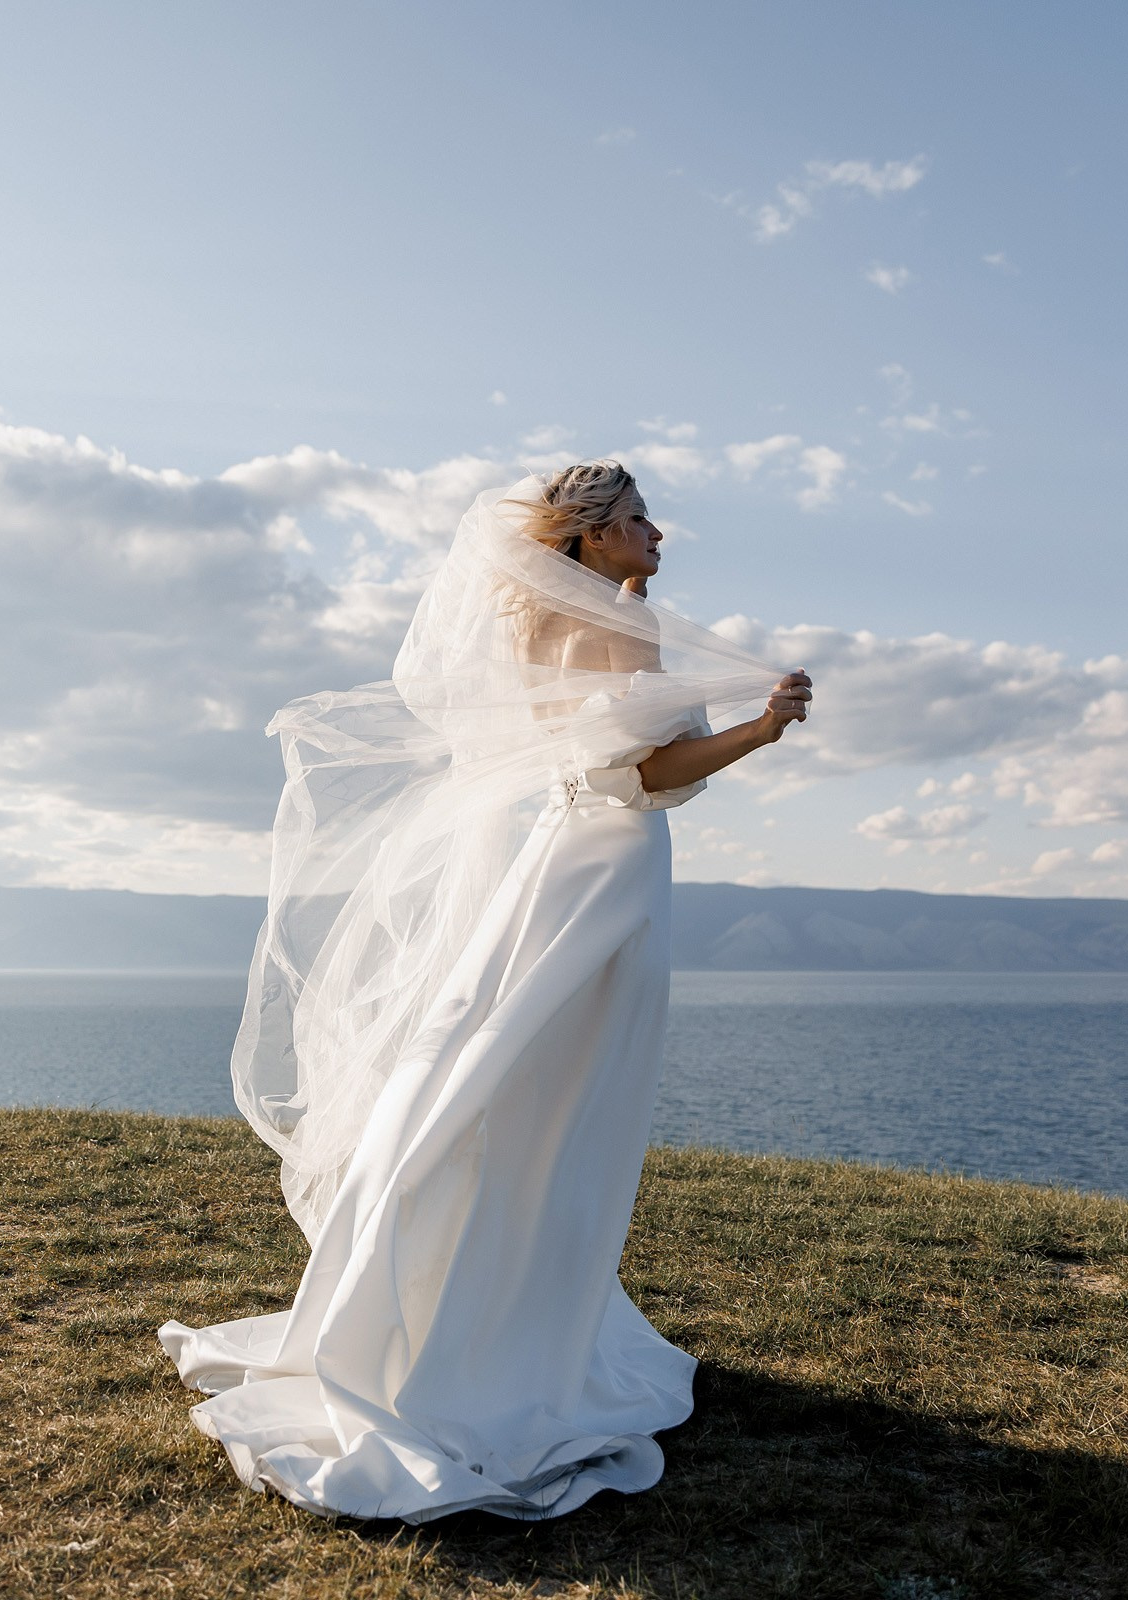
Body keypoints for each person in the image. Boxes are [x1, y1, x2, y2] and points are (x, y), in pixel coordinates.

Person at [159, 459, 812, 1522]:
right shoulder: (624, 625)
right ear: (591, 536)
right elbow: (641, 774)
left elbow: (592, 743)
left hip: (552, 857)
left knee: (495, 1073)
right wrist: (763, 726)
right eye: (639, 520)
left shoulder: (549, 624)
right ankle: (512, 1340)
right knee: (567, 1096)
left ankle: (431, 1307)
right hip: (607, 868)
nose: (659, 533)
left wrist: (643, 612)